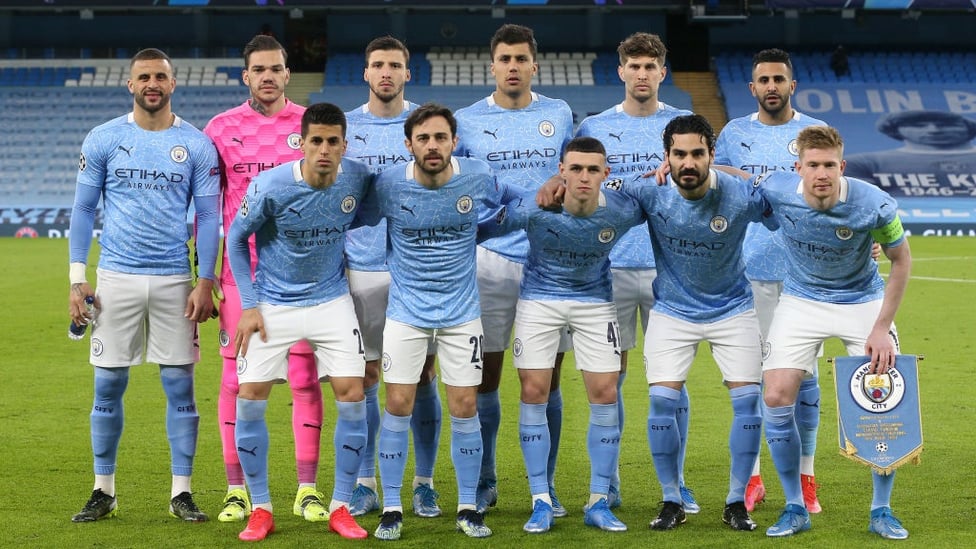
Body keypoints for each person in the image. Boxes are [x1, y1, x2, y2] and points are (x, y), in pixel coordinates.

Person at [68, 47, 219, 523]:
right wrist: (78, 278)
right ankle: (103, 489)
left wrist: (206, 280)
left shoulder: (195, 144)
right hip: (116, 278)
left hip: (175, 279)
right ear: (130, 85)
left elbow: (212, 215)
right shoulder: (104, 138)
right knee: (109, 383)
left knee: (180, 386)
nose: (152, 83)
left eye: (160, 76)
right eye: (143, 77)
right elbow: (82, 210)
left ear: (173, 84)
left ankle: (181, 492)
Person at [611, 114, 765, 532]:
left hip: (733, 309)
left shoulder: (737, 193)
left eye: (698, 153)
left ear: (711, 155)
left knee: (748, 404)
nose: (688, 162)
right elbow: (601, 192)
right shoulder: (651, 190)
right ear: (667, 157)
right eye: (679, 154)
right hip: (673, 312)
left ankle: (736, 502)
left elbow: (784, 198)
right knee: (661, 403)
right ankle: (671, 498)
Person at [226, 103, 371, 541]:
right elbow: (235, 239)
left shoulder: (358, 178)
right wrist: (249, 304)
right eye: (316, 141)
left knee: (353, 394)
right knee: (250, 397)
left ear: (345, 144)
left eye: (333, 141)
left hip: (331, 300)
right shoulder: (271, 185)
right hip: (273, 303)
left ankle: (342, 506)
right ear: (301, 143)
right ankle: (261, 508)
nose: (324, 149)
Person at [758, 125, 912, 539]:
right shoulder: (777, 189)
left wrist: (881, 327)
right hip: (802, 300)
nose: (821, 172)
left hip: (862, 301)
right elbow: (735, 180)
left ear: (841, 166)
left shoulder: (873, 203)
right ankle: (795, 505)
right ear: (799, 167)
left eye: (829, 164)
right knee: (774, 395)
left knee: (886, 397)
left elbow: (901, 261)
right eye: (813, 165)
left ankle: (882, 510)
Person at [203, 34, 331, 526]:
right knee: (235, 380)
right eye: (259, 70)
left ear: (286, 72)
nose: (269, 77)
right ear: (246, 76)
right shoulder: (221, 129)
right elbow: (208, 209)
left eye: (276, 69)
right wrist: (207, 274)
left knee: (303, 378)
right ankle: (237, 490)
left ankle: (306, 488)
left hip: (300, 275)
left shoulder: (309, 126)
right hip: (241, 277)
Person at [484, 136, 642, 534]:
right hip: (539, 301)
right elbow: (480, 230)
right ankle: (541, 500)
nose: (584, 177)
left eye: (593, 170)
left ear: (607, 174)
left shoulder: (624, 209)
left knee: (605, 394)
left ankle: (598, 501)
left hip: (595, 302)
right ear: (561, 170)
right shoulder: (535, 207)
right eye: (576, 168)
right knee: (534, 391)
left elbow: (669, 187)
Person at [360, 103, 498, 540]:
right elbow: (353, 215)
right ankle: (393, 507)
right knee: (397, 405)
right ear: (409, 145)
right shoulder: (387, 186)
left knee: (465, 406)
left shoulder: (477, 175)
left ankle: (468, 507)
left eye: (440, 137)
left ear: (454, 141)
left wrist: (488, 228)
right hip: (406, 313)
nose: (432, 145)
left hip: (461, 314)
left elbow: (513, 201)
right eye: (423, 138)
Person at [573, 31, 697, 513]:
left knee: (672, 380)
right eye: (634, 66)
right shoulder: (595, 127)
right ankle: (612, 478)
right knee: (612, 379)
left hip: (673, 270)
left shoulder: (685, 127)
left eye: (651, 66)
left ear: (663, 72)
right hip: (611, 269)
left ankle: (679, 481)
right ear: (621, 71)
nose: (642, 74)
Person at [454, 22, 574, 515]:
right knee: (487, 375)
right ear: (492, 65)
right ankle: (485, 481)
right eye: (504, 59)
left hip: (552, 261)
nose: (512, 67)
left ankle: (543, 486)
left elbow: (575, 168)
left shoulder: (560, 113)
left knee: (547, 379)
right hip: (491, 260)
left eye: (521, 59)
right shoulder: (466, 120)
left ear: (534, 65)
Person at [713, 47, 828, 514]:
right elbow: (714, 187)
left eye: (779, 79)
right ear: (752, 88)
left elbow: (835, 195)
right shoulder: (733, 134)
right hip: (750, 274)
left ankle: (807, 476)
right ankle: (755, 477)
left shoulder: (813, 134)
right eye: (764, 80)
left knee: (805, 379)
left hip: (806, 275)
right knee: (757, 380)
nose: (772, 87)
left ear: (792, 85)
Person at [343, 35, 444, 520]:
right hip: (359, 270)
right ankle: (364, 483)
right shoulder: (345, 128)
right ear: (365, 73)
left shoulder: (428, 124)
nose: (386, 72)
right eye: (377, 64)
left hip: (417, 271)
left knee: (423, 376)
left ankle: (423, 484)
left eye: (395, 65)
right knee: (364, 376)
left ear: (408, 73)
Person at [844, 110, 976, 194]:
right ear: (896, 130)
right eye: (919, 126)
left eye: (947, 124)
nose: (934, 130)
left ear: (968, 128)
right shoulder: (862, 163)